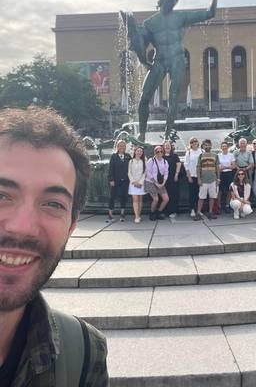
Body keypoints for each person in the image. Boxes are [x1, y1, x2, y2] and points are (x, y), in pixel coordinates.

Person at [0, 106, 108, 386]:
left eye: (53, 204)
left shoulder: (84, 353)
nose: (22, 227)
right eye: (1, 194)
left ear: (71, 227)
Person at [122, 0, 237, 140]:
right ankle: (141, 133)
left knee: (173, 96)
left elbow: (209, 13)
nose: (173, 3)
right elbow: (141, 44)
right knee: (144, 98)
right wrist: (132, 29)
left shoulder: (181, 17)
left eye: (176, 0)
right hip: (159, 61)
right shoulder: (150, 23)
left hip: (177, 59)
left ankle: (168, 134)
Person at [194, 139, 220, 221]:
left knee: (212, 197)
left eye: (209, 145)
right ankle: (198, 213)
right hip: (203, 180)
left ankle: (210, 212)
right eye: (205, 145)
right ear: (203, 146)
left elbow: (217, 168)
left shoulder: (215, 155)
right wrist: (198, 179)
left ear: (211, 145)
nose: (207, 146)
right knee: (201, 197)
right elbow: (198, 168)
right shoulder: (201, 156)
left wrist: (218, 178)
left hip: (213, 179)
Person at [107, 139, 131, 222]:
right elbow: (110, 169)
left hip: (125, 180)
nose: (122, 147)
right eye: (120, 145)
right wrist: (111, 179)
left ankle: (122, 214)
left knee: (124, 197)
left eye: (123, 146)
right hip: (115, 180)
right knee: (112, 197)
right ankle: (110, 214)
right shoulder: (113, 156)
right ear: (117, 147)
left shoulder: (128, 156)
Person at [144, 145, 169, 220]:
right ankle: (152, 213)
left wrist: (163, 183)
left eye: (161, 151)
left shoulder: (165, 161)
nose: (159, 153)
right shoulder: (151, 160)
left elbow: (166, 173)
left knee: (166, 199)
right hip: (150, 182)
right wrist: (156, 183)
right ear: (155, 152)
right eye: (157, 151)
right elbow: (148, 173)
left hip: (160, 183)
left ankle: (158, 212)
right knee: (156, 199)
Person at [184, 137, 203, 218]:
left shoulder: (202, 151)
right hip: (192, 176)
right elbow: (186, 165)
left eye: (196, 142)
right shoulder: (188, 153)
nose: (194, 143)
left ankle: (199, 210)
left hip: (201, 176)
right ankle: (192, 209)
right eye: (192, 142)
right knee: (192, 194)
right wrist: (189, 176)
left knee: (201, 194)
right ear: (190, 144)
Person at [163, 141, 181, 219]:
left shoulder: (174, 156)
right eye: (165, 146)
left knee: (173, 195)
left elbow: (179, 164)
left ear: (171, 147)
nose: (167, 147)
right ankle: (165, 211)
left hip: (173, 177)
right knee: (164, 195)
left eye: (168, 145)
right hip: (163, 179)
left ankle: (173, 211)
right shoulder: (161, 156)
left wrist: (176, 174)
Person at [128, 146, 146, 223]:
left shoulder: (144, 161)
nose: (139, 152)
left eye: (141, 151)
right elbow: (129, 172)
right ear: (135, 152)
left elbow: (145, 173)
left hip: (141, 183)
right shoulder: (131, 161)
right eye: (138, 151)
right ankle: (136, 216)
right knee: (135, 199)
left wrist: (140, 182)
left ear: (142, 153)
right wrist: (133, 181)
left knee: (140, 199)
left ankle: (139, 215)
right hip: (133, 183)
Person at [218, 141, 236, 213]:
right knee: (220, 191)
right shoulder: (218, 155)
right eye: (223, 146)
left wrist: (224, 167)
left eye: (225, 146)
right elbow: (218, 167)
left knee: (229, 190)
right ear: (221, 147)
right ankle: (219, 206)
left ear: (227, 147)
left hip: (229, 174)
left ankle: (227, 205)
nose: (224, 147)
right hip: (221, 174)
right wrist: (228, 166)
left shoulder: (231, 155)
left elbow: (234, 166)